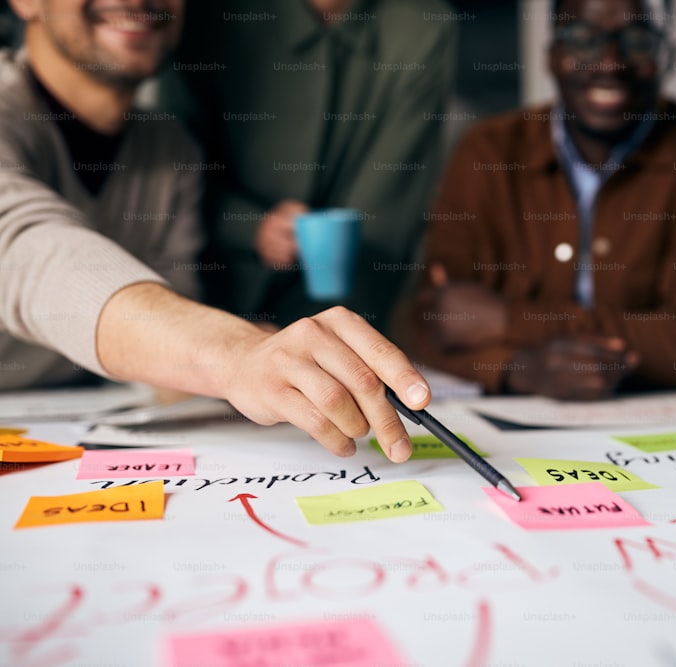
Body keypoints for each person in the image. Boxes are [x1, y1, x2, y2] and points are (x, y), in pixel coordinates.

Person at [0, 0, 431, 462]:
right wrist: (235, 352)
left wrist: (277, 354)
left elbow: (163, 347)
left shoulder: (170, 151)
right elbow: (24, 248)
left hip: (66, 443)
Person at [405, 0, 676, 401]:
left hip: (661, 424)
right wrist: (522, 370)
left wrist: (508, 319)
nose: (610, 62)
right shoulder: (486, 153)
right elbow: (434, 325)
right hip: (513, 420)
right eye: (581, 37)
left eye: (639, 38)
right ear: (551, 55)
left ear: (668, 55)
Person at [162, 0, 455, 331]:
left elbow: (386, 214)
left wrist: (322, 335)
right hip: (206, 303)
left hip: (347, 315)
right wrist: (250, 226)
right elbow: (170, 167)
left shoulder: (421, 27)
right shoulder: (206, 18)